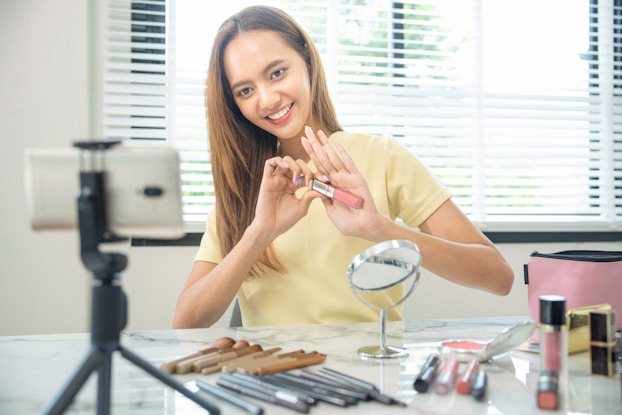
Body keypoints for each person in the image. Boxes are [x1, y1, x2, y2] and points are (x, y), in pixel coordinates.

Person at [173, 5, 513, 329]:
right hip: (273, 381)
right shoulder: (249, 186)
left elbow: (498, 277)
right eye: (246, 90)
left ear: (307, 60)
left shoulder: (382, 156)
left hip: (370, 381)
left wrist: (379, 229)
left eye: (277, 73)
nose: (267, 99)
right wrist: (260, 233)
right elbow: (186, 322)